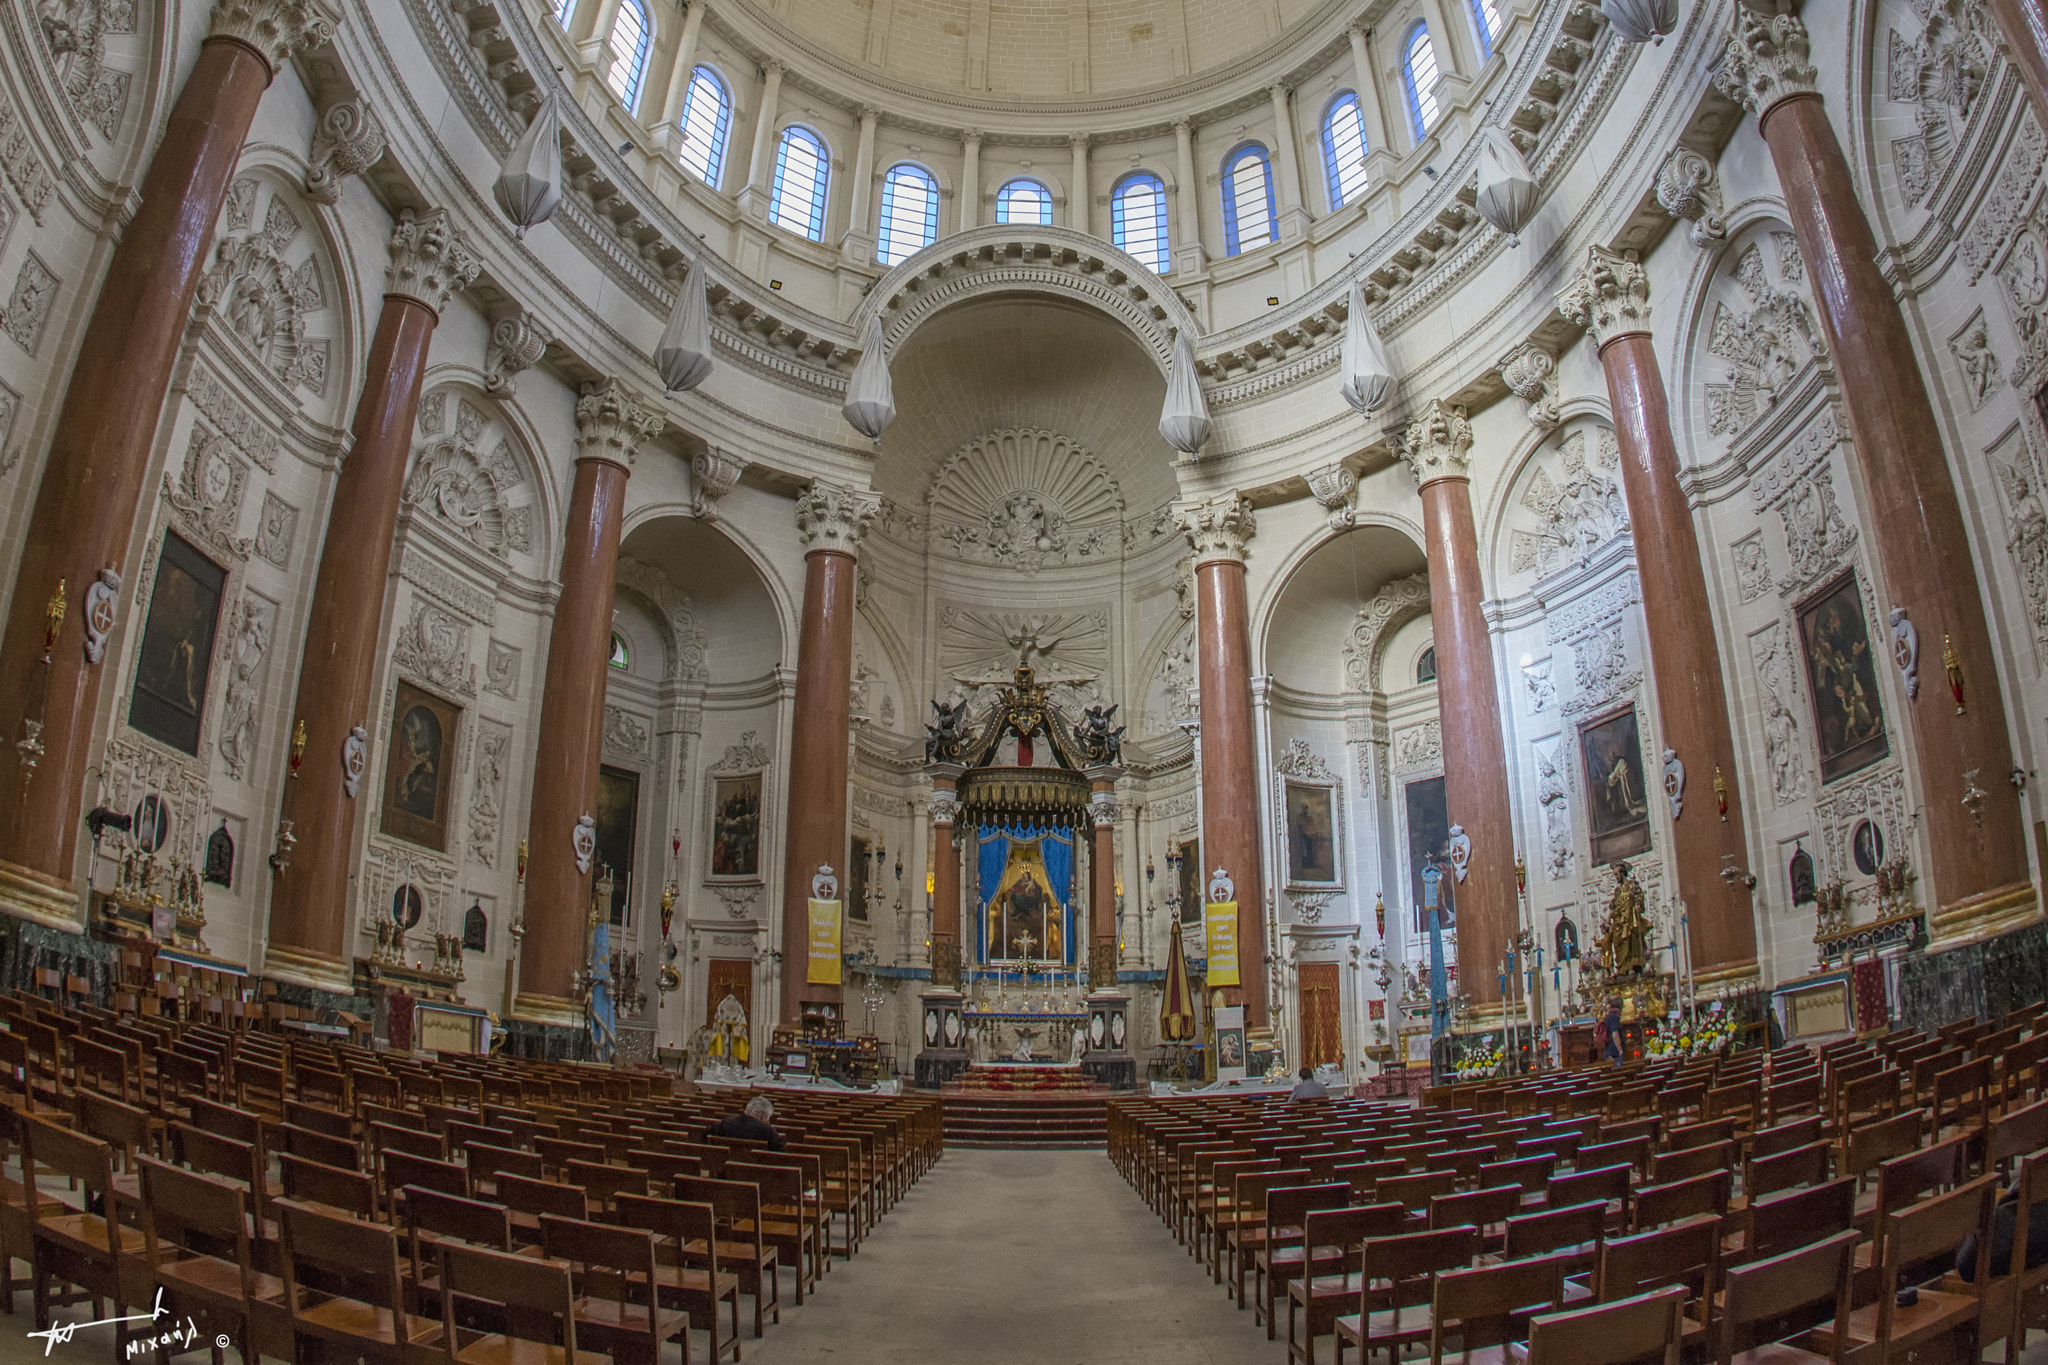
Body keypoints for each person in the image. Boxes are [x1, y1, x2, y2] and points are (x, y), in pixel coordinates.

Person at [706, 1094, 788, 1151]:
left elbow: (706, 1134)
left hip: (725, 1173)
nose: (768, 1121)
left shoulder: (726, 1123)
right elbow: (780, 1156)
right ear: (764, 1116)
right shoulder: (769, 1132)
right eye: (769, 1118)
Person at [1597, 999, 1623, 1065]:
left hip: (1609, 1049)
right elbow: (1615, 1035)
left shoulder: (1608, 1016)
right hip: (1614, 1051)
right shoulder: (1613, 1017)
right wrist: (1620, 1050)